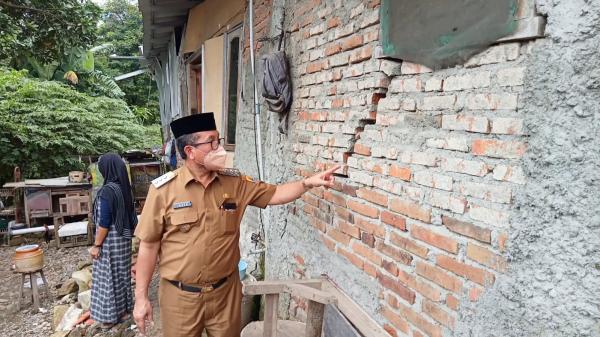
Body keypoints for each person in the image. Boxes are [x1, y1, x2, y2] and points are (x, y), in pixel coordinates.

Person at [133, 112, 339, 337]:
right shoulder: (163, 191)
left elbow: (275, 194)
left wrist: (307, 183)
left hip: (225, 294)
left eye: (218, 140)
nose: (218, 147)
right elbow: (149, 246)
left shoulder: (235, 182)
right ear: (189, 152)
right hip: (180, 298)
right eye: (210, 142)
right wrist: (141, 298)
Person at [89, 153, 138, 329]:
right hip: (123, 239)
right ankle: (124, 311)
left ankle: (110, 318)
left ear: (106, 169)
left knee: (107, 278)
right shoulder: (123, 188)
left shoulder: (107, 191)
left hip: (110, 240)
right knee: (121, 276)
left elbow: (104, 223)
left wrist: (97, 245)